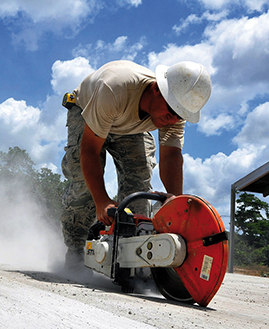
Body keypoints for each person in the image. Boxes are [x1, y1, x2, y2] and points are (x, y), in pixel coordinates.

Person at [60, 60, 212, 269]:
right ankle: (76, 254)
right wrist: (102, 200)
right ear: (158, 90)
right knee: (85, 186)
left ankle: (129, 260)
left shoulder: (175, 112)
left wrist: (175, 202)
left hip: (129, 124)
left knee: (139, 185)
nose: (172, 120)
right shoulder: (114, 89)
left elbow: (171, 156)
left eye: (179, 115)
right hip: (88, 110)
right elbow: (90, 151)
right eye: (171, 112)